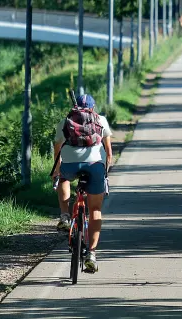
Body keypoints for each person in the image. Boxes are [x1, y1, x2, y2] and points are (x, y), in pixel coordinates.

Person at [52, 94, 113, 273]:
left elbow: (58, 148)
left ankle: (64, 215)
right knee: (95, 209)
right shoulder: (101, 120)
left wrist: (57, 170)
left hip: (70, 163)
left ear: (75, 107)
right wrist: (104, 174)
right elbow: (108, 153)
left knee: (63, 178)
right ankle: (92, 254)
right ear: (92, 108)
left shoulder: (65, 121)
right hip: (95, 166)